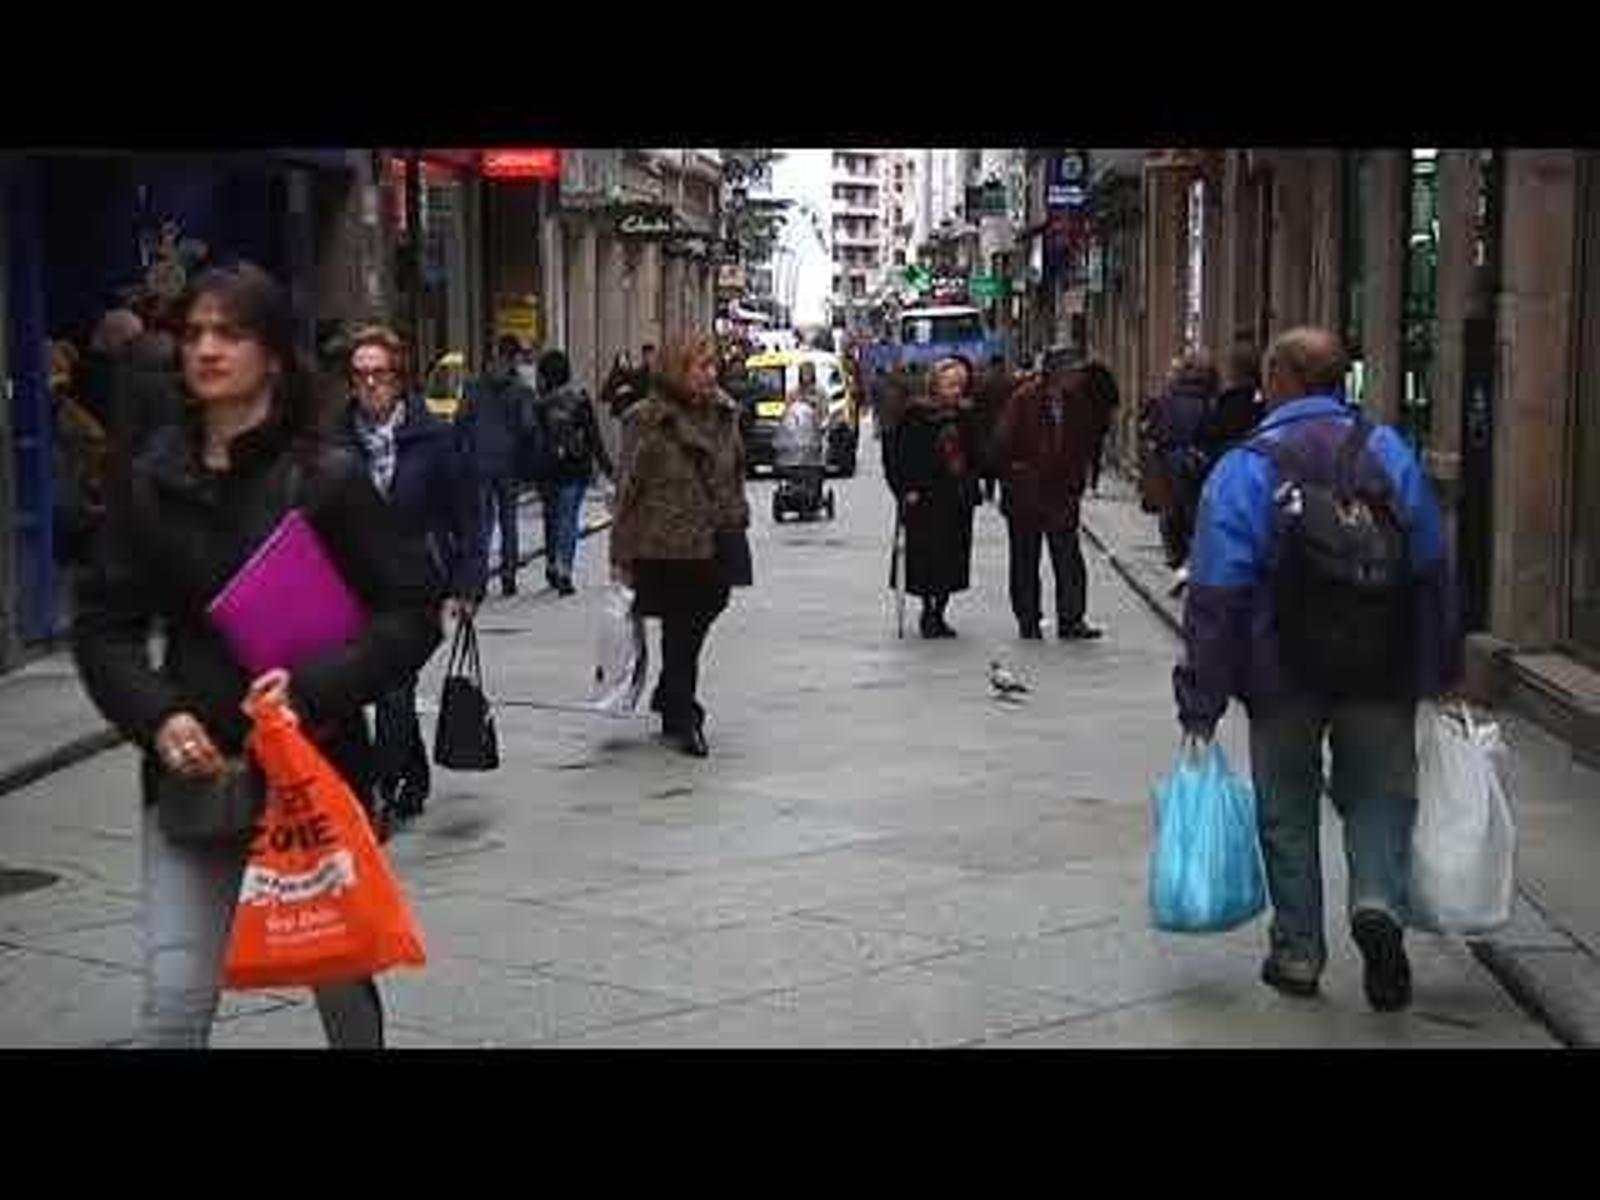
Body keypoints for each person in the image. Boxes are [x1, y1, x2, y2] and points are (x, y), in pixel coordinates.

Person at [71, 262, 443, 1048]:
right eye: (194, 333)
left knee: (340, 981)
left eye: (230, 333)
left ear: (272, 354)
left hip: (311, 771)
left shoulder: (326, 479)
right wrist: (158, 715)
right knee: (174, 1000)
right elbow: (104, 626)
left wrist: (310, 690)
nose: (206, 349)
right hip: (195, 774)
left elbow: (412, 611)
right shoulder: (150, 480)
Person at [1175, 327, 1461, 1012]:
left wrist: (1201, 698)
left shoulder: (1247, 466)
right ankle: (1377, 902)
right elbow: (1432, 564)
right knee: (1382, 794)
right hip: (1382, 664)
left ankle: (1298, 951)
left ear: (1280, 381)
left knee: (1286, 808)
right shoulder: (1388, 450)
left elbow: (1217, 591)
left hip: (1281, 671)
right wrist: (1439, 667)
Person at [339, 324, 485, 829]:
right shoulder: (335, 442)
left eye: (379, 374)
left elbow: (469, 514)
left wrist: (468, 583)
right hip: (356, 589)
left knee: (392, 686)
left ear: (399, 379)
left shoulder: (435, 438)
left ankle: (378, 792)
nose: (369, 384)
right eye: (360, 375)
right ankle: (412, 776)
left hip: (418, 589)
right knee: (384, 687)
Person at [610, 333, 752, 758]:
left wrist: (738, 511)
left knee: (704, 612)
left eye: (713, 366)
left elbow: (735, 469)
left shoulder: (725, 412)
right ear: (677, 370)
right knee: (682, 628)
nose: (711, 374)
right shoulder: (644, 418)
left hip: (719, 534)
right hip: (666, 543)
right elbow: (627, 489)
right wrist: (620, 555)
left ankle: (671, 693)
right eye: (701, 366)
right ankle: (683, 712)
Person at [992, 347, 1107, 642]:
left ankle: (1072, 619)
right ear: (1056, 373)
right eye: (1073, 372)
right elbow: (1003, 442)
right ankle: (1028, 620)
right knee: (1025, 559)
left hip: (1062, 494)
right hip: (1026, 494)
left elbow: (1084, 441)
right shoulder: (1024, 399)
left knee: (1068, 559)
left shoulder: (1077, 401)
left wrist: (1077, 482)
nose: (1078, 377)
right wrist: (1018, 474)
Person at [884, 356, 982, 639]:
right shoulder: (916, 415)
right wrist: (905, 490)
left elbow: (976, 453)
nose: (956, 391)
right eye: (950, 385)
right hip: (924, 499)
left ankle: (940, 610)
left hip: (956, 498)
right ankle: (929, 609)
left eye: (960, 385)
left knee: (952, 558)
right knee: (927, 558)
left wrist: (973, 477)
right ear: (935, 385)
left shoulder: (964, 416)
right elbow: (897, 457)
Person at [532, 348, 614, 596]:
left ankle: (551, 564)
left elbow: (532, 439)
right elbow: (593, 436)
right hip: (575, 467)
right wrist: (608, 468)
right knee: (568, 519)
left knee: (552, 518)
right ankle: (564, 569)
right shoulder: (580, 399)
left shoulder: (540, 404)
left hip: (548, 469)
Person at [460, 335, 537, 596]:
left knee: (482, 523)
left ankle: (479, 577)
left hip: (479, 462)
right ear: (513, 358)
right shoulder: (520, 389)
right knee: (509, 521)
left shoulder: (472, 387)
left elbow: (461, 423)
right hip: (509, 463)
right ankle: (508, 576)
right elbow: (528, 426)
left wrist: (464, 453)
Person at [1151, 350, 1220, 593]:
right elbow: (1214, 433)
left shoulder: (1168, 399)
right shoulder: (1212, 401)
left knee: (1172, 517)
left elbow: (1156, 432)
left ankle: (1180, 566)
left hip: (1171, 464)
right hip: (1201, 464)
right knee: (1197, 520)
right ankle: (1194, 568)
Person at [1198, 339, 1265, 462]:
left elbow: (1213, 438)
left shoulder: (1231, 401)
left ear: (1237, 369)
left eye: (1230, 364)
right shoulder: (1263, 397)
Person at [775, 360, 829, 507]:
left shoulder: (820, 393)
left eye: (808, 373)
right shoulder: (793, 393)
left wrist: (822, 423)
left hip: (814, 434)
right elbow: (787, 413)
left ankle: (815, 491)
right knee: (790, 463)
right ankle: (792, 489)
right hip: (796, 437)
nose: (806, 376)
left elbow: (825, 413)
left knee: (816, 465)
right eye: (804, 373)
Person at [973, 355, 1013, 503]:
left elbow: (976, 406)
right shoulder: (1009, 382)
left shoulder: (984, 383)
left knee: (991, 462)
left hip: (989, 428)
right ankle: (1003, 493)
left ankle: (990, 492)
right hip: (1003, 427)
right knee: (1002, 463)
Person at [1082, 360, 1122, 493]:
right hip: (1100, 423)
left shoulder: (1082, 379)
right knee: (1096, 454)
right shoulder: (1106, 380)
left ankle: (1085, 481)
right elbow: (1115, 401)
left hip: (1083, 423)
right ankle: (1093, 483)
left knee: (1083, 454)